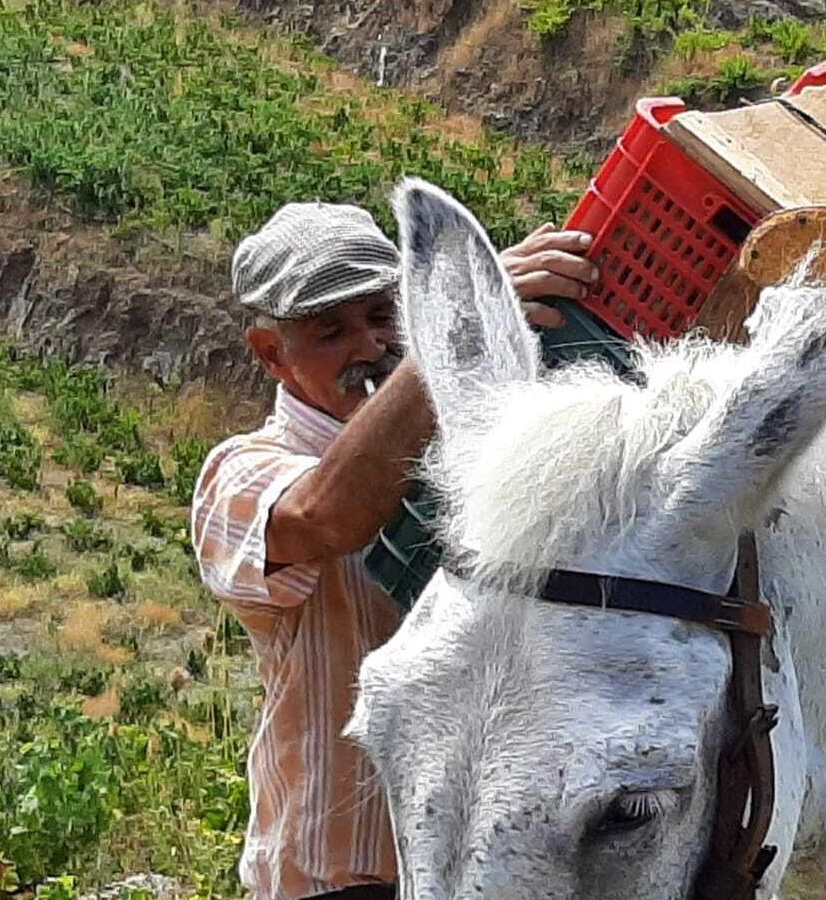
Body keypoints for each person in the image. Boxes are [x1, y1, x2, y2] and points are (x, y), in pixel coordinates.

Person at [190, 201, 596, 900]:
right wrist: (454, 330)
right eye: (330, 332)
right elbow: (327, 516)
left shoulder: (465, 444)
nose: (370, 347)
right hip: (339, 878)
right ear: (272, 355)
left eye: (385, 317)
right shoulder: (243, 472)